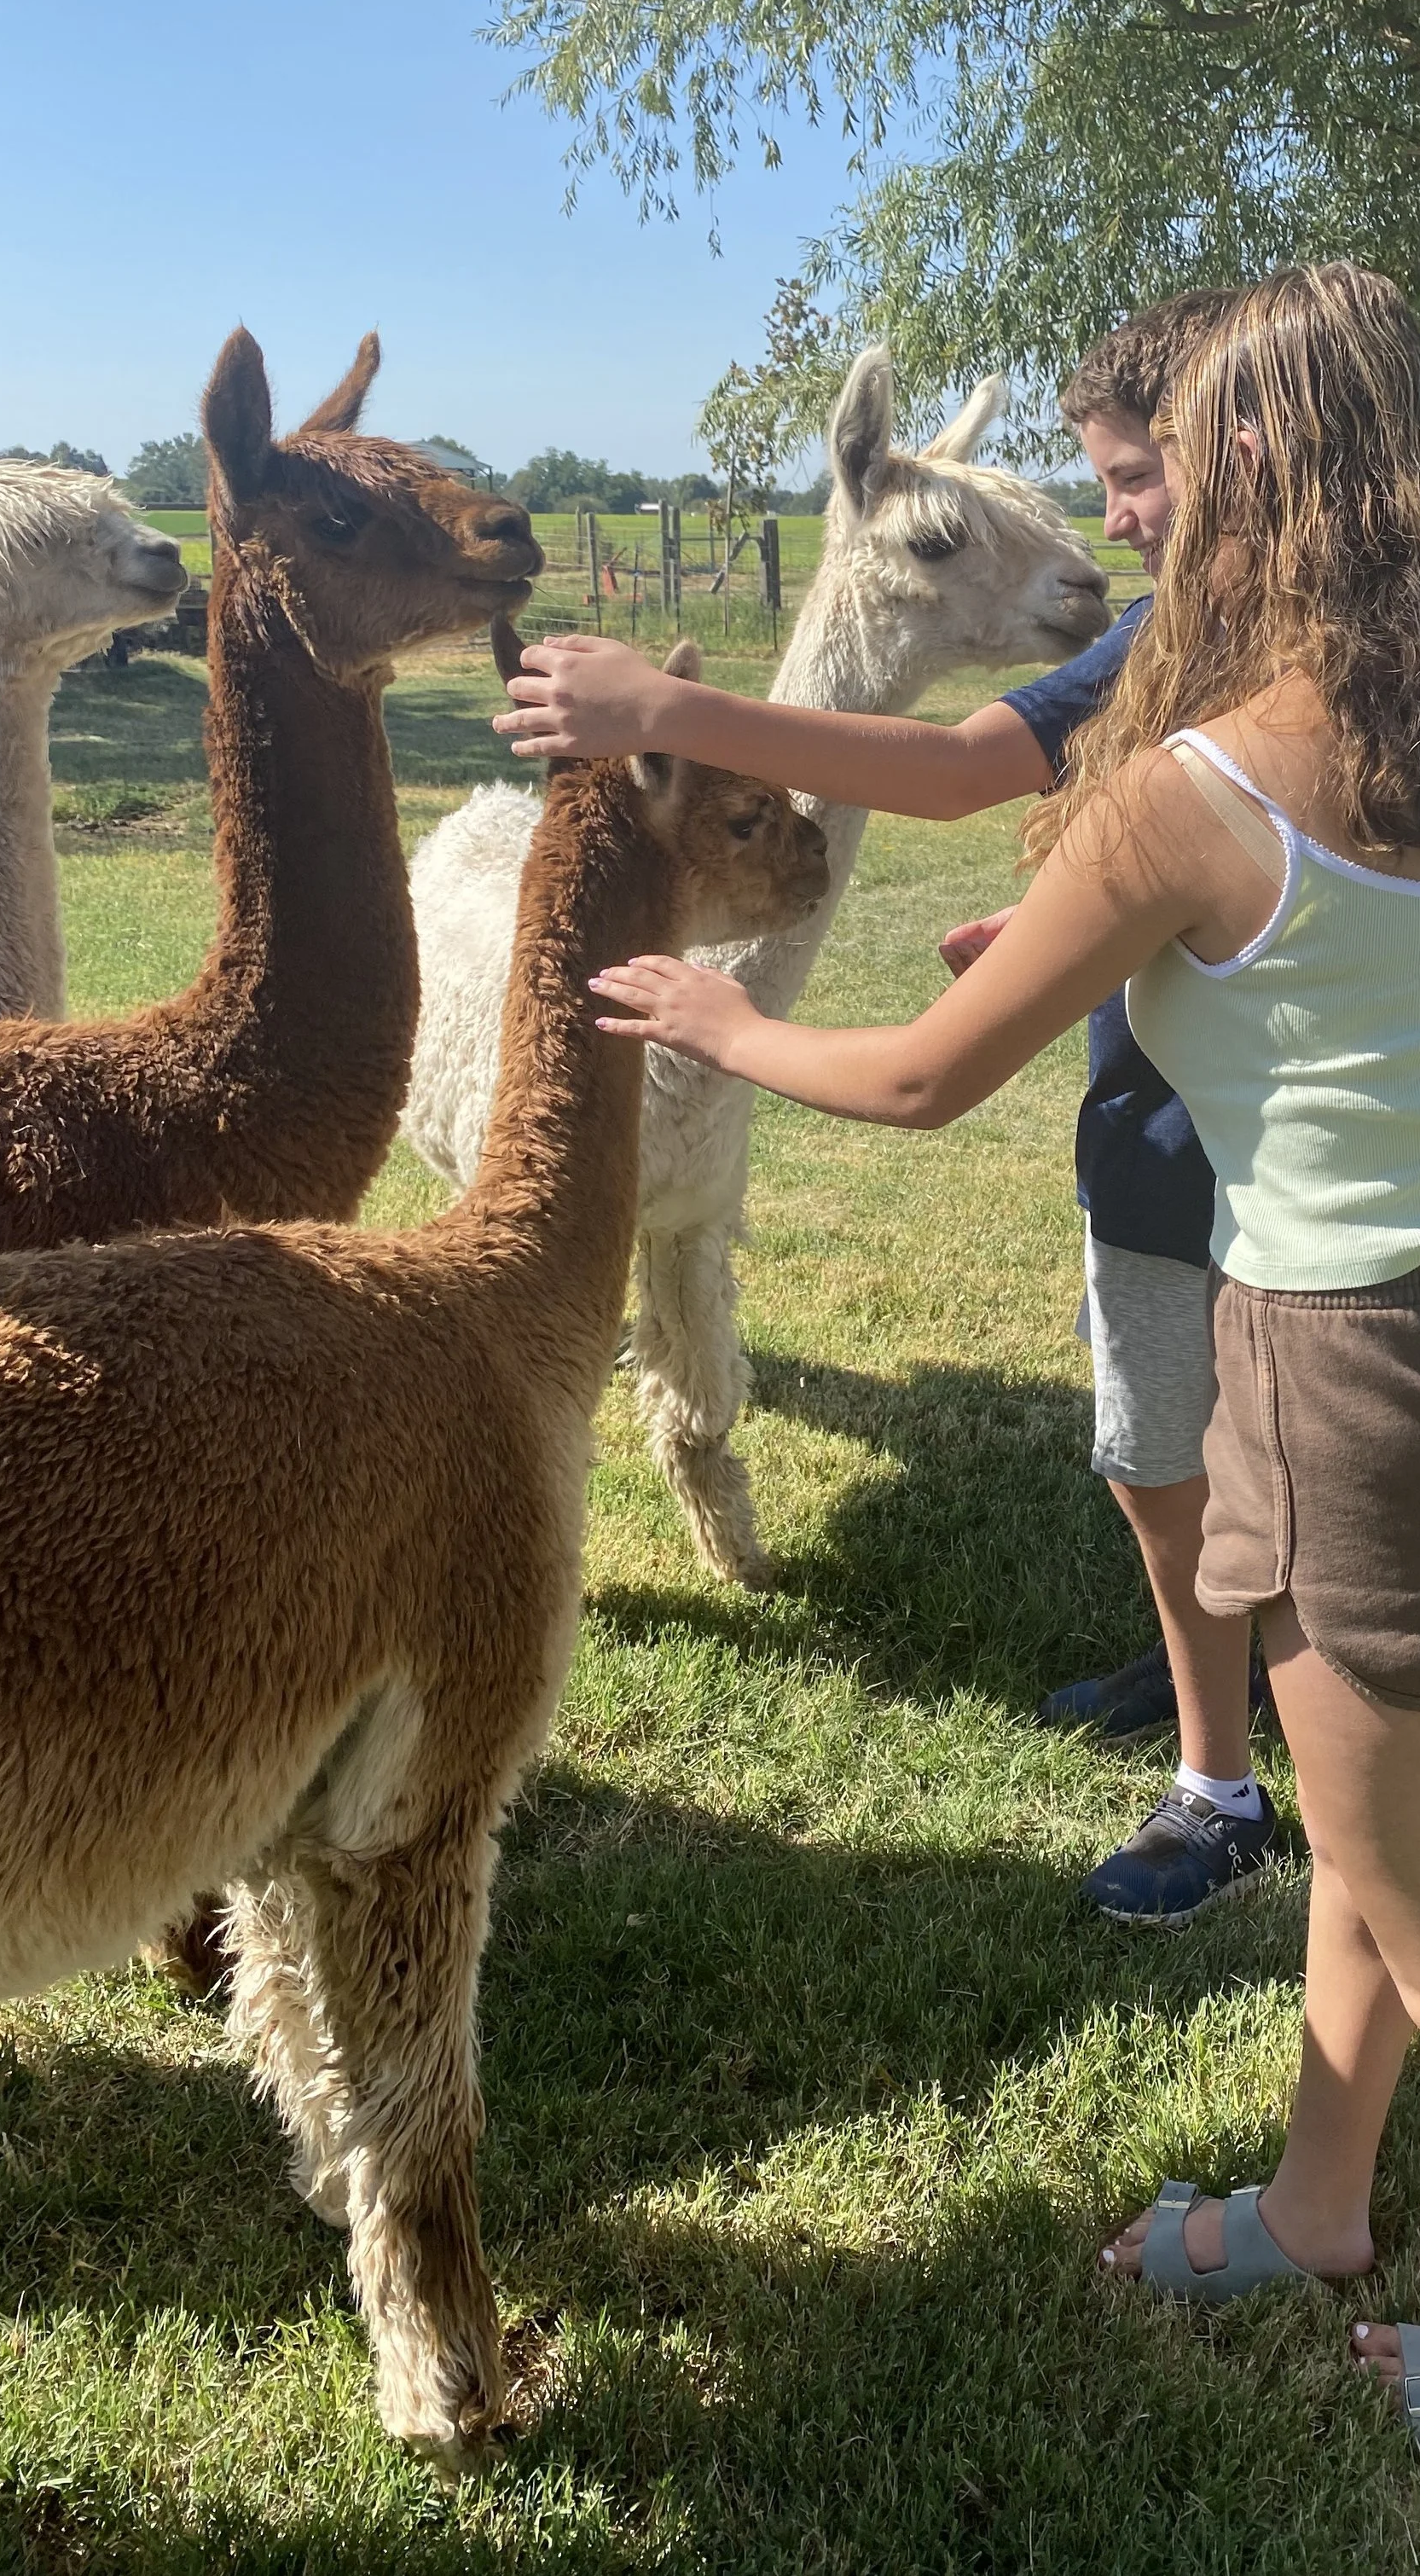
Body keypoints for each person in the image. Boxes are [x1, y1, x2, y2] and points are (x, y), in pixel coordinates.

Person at [587, 265, 1420, 2498]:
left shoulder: (1193, 784)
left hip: (1355, 1378)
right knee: (1371, 1846)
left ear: (1263, 465)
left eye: (1183, 456)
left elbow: (897, 1084)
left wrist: (716, 1021)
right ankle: (1316, 2202)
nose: (1148, 509)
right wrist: (1148, 960)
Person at [496, 291, 1286, 1929]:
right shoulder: (1152, 635)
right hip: (1165, 1116)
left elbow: (930, 1056)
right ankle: (1217, 1722)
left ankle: (1289, 1764)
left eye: (1141, 481)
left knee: (1291, 1453)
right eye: (1114, 484)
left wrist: (683, 764)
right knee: (1163, 1445)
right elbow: (956, 772)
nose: (1111, 533)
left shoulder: (1324, 654)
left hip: (1300, 1138)